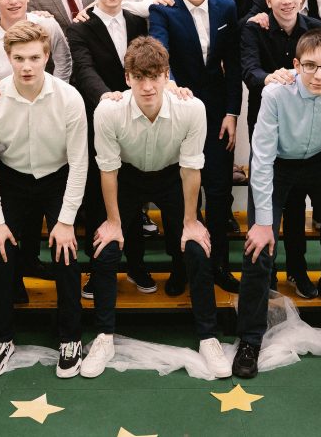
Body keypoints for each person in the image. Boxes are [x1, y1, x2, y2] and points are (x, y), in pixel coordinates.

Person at [82, 36, 231, 379]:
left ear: (167, 75)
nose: (147, 87)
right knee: (105, 248)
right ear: (127, 78)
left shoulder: (192, 108)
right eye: (139, 78)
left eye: (154, 77)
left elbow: (191, 168)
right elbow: (108, 170)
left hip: (172, 176)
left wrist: (190, 222)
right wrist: (114, 222)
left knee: (196, 247)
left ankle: (208, 337)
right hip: (126, 176)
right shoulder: (108, 111)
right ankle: (104, 336)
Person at [232, 29, 321, 381]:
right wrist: (262, 224)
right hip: (278, 164)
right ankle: (249, 340)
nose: (319, 75)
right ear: (296, 65)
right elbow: (262, 158)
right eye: (310, 66)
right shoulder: (275, 93)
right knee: (258, 248)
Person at [0, 21, 88, 378]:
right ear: (8, 58)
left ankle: (70, 337)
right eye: (19, 58)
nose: (27, 66)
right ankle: (1, 337)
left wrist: (65, 221)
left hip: (57, 178)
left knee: (66, 253)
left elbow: (80, 161)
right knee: (0, 252)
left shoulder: (69, 98)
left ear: (47, 56)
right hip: (12, 178)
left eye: (35, 58)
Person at [0, 0, 71, 290]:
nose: (13, 0)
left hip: (46, 121)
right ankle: (12, 279)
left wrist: (55, 92)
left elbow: (64, 59)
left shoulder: (46, 24)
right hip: (7, 130)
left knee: (41, 196)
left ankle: (30, 259)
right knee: (14, 203)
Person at [150, 0, 242, 294]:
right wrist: (169, 82)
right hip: (178, 108)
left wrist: (232, 113)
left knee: (217, 192)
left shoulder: (226, 7)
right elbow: (158, 50)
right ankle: (183, 266)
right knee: (180, 195)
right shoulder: (163, 9)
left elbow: (234, 65)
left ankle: (219, 265)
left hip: (217, 111)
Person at [67, 0, 156, 295]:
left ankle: (136, 265)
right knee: (96, 198)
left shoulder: (138, 22)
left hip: (136, 120)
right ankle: (97, 270)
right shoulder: (79, 27)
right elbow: (84, 69)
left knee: (132, 194)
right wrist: (106, 98)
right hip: (99, 118)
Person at [240, 0, 321, 296]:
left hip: (307, 125)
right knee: (263, 201)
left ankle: (297, 270)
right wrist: (269, 77)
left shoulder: (316, 28)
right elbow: (249, 69)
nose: (287, 0)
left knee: (296, 203)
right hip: (267, 124)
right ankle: (263, 276)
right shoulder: (254, 28)